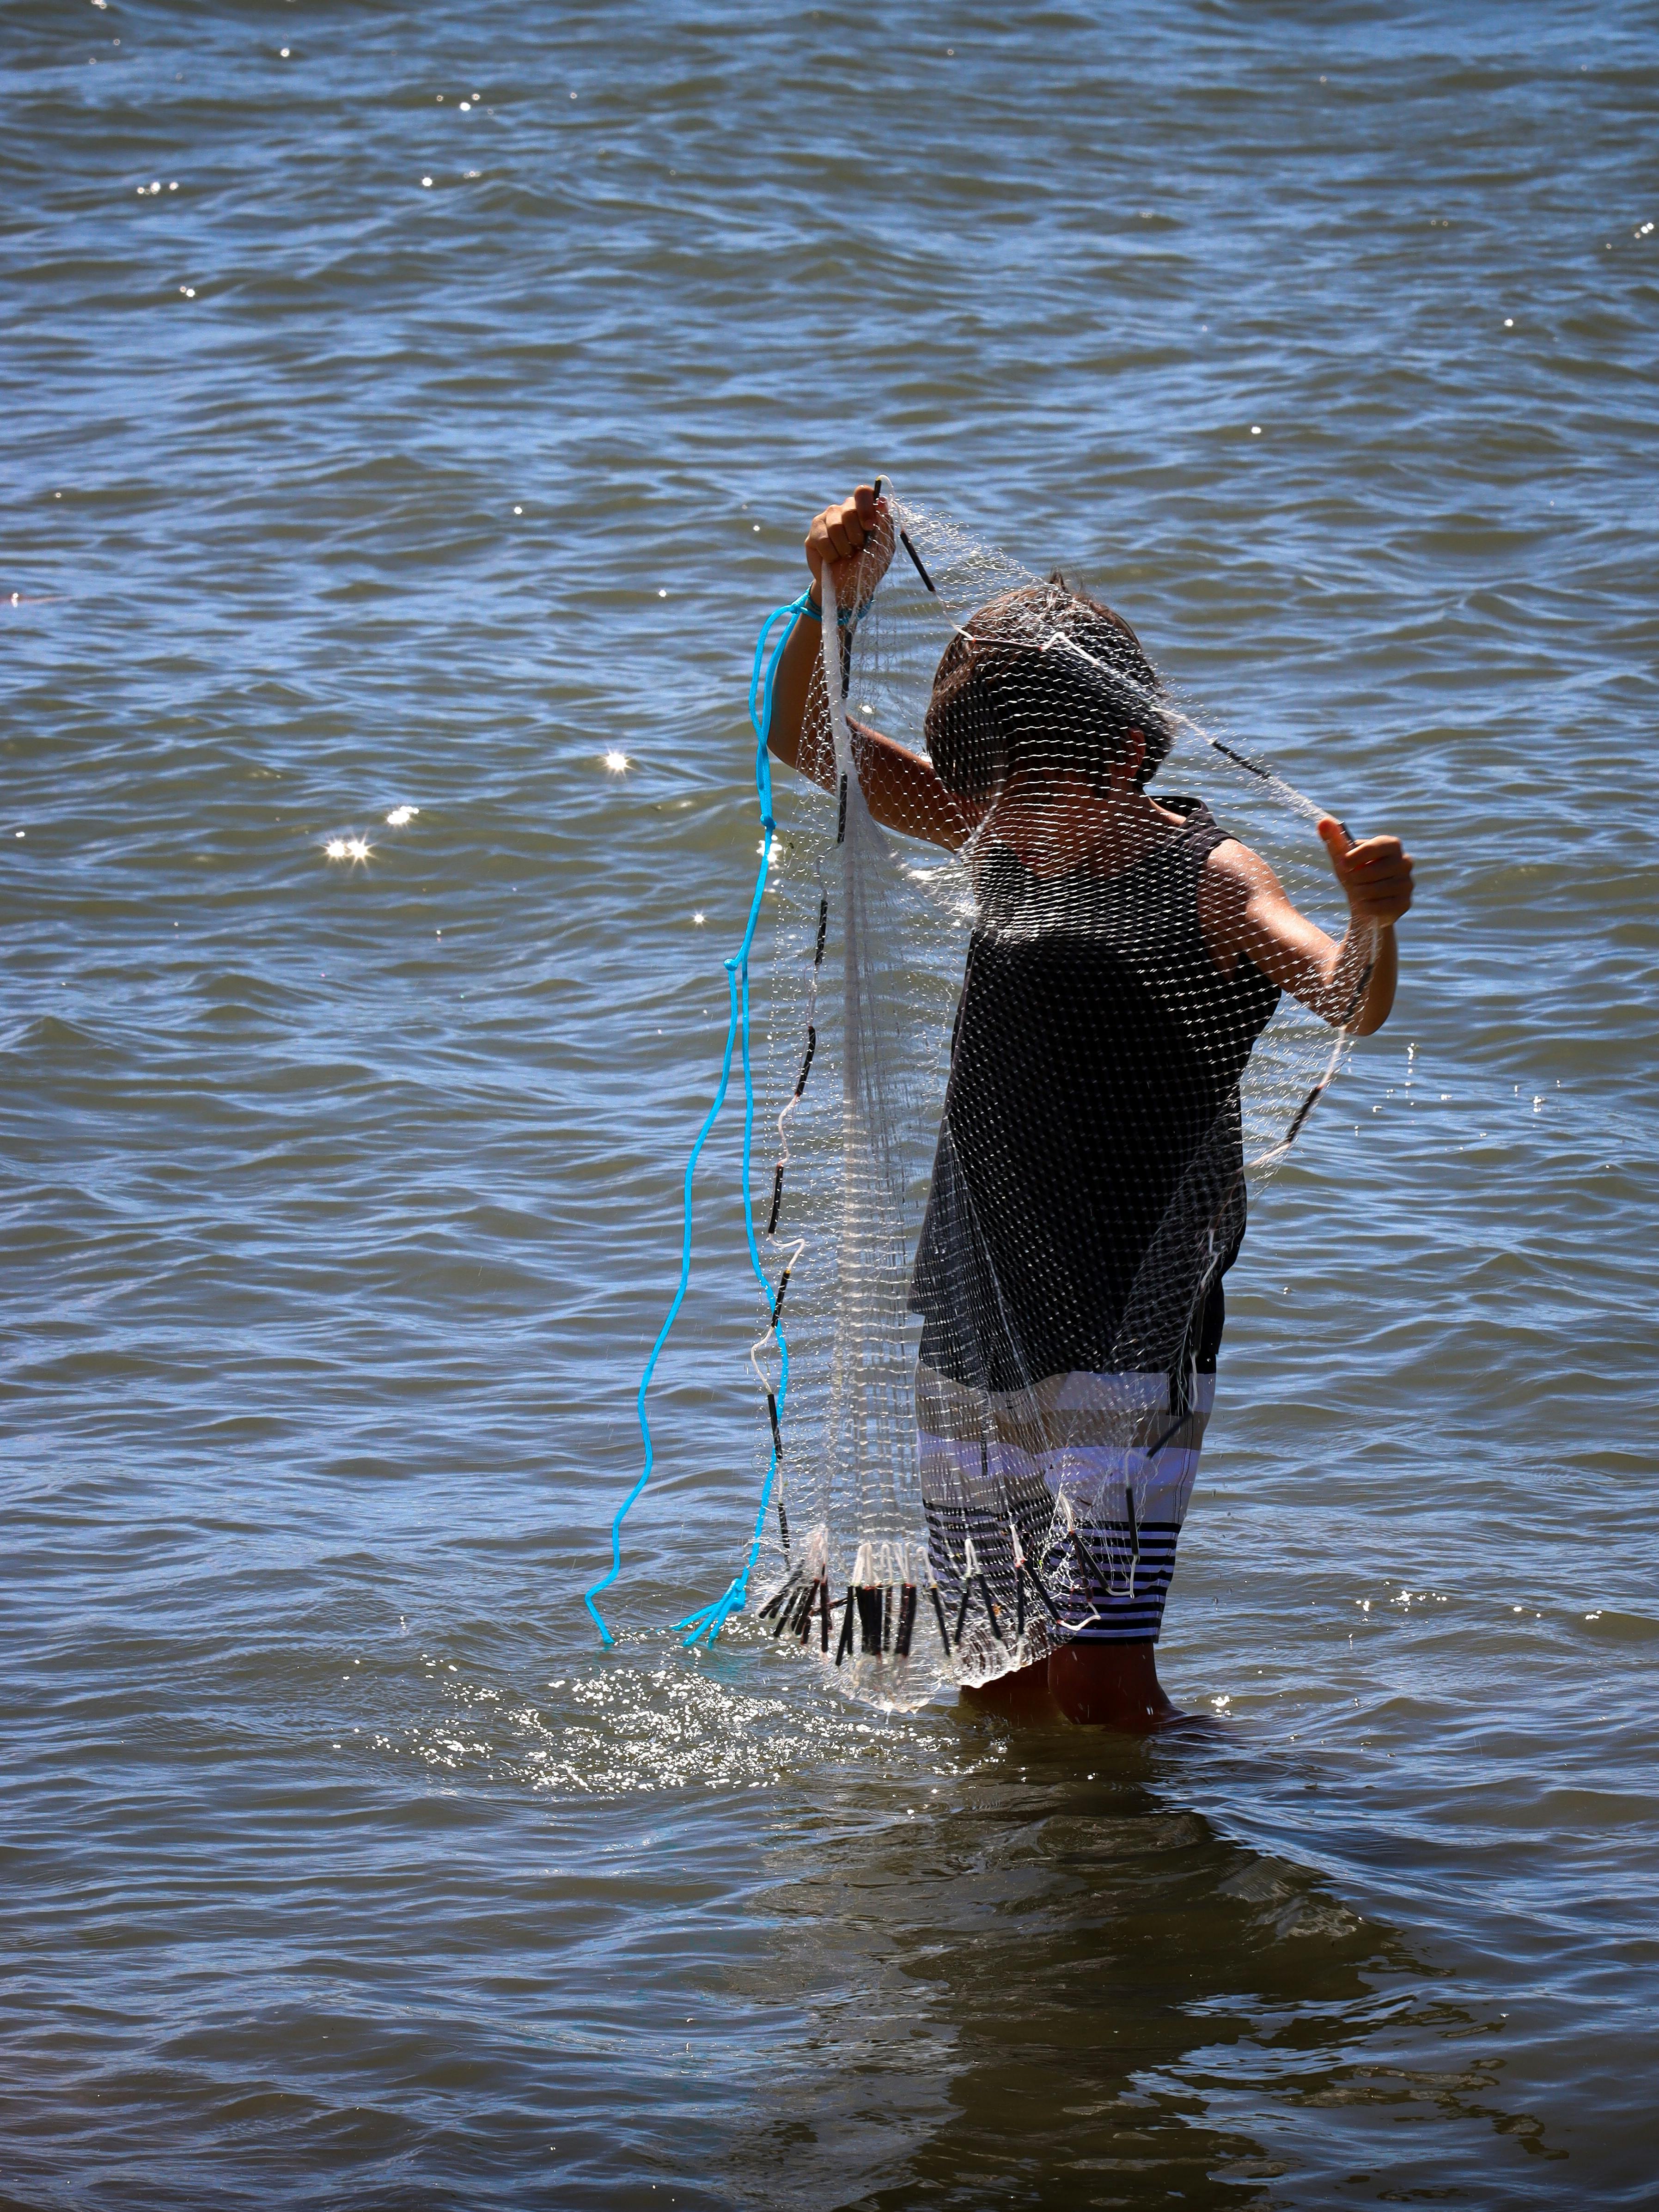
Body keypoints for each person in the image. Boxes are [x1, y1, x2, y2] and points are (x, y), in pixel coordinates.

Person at [764, 485, 1414, 1730]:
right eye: (984, 799)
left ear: (1123, 755)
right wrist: (828, 603)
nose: (1004, 826)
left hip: (1130, 1326)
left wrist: (1372, 919)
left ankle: (1177, 1864)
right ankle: (1034, 1905)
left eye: (1030, 796)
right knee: (994, 1672)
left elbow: (1342, 997)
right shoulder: (999, 833)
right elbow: (809, 742)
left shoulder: (1213, 879)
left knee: (1103, 1681)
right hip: (971, 1301)